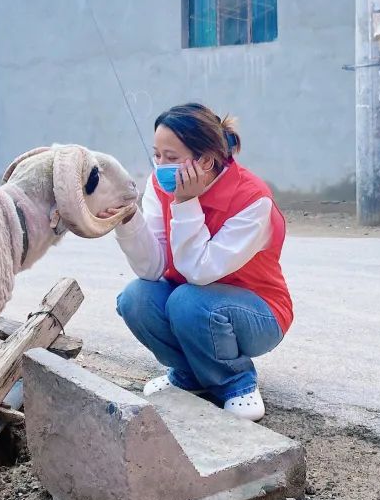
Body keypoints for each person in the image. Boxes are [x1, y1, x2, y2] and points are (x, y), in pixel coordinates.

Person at [111, 103, 293, 421]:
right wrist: (127, 221)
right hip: (192, 303)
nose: (160, 166)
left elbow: (199, 272)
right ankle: (189, 375)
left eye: (171, 158)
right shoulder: (159, 185)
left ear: (206, 160)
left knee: (188, 300)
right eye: (157, 155)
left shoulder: (252, 199)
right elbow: (152, 268)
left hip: (258, 314)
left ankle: (236, 382)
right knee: (135, 298)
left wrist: (185, 203)